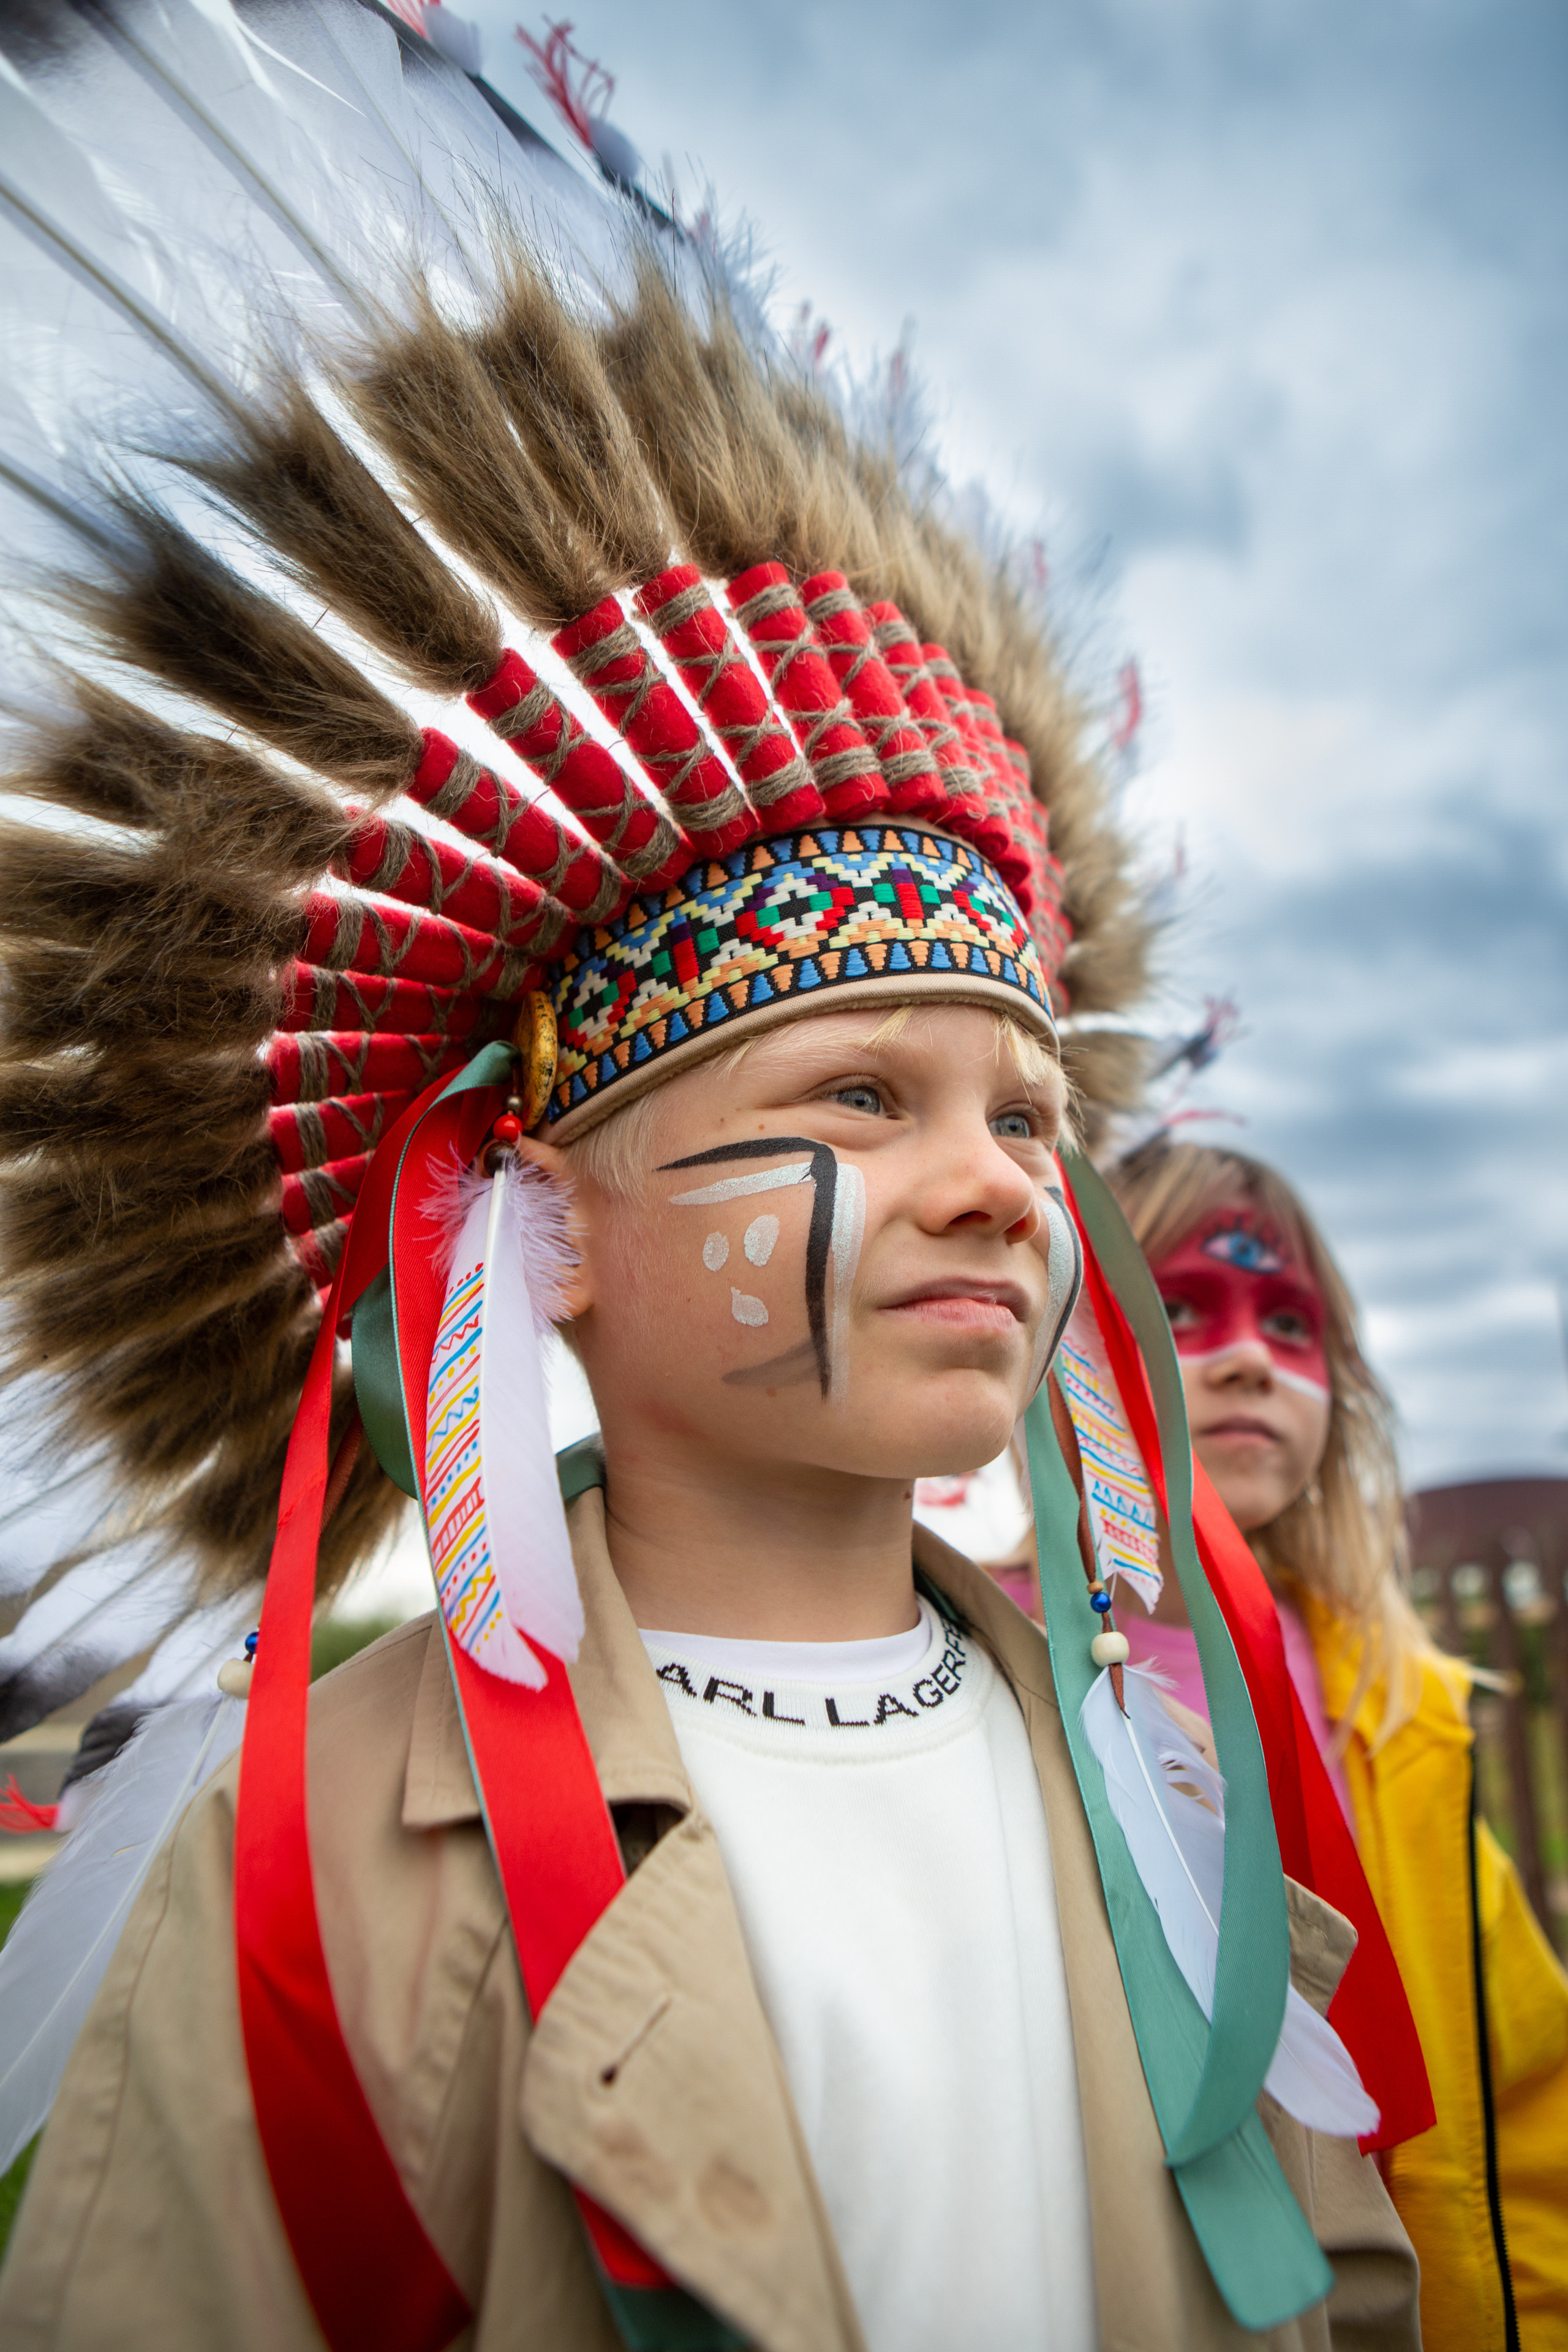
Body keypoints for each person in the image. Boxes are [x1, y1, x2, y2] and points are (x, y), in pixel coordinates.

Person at [0, 8, 1422, 2348]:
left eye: (1027, 1114)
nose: (993, 1186)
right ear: (539, 1235)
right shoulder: (319, 1864)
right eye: (863, 1099)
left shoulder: (1173, 1794)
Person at [1107, 1136, 1568, 2352]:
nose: (1250, 1356)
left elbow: (1522, 2091)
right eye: (1179, 1309)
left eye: (1291, 1327)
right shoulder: (995, 1659)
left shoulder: (1399, 1710)